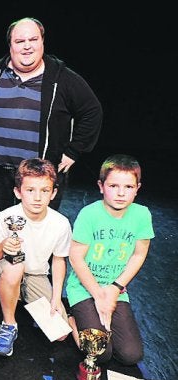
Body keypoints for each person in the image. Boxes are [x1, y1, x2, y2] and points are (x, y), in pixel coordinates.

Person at [0, 17, 103, 262]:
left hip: (38, 179)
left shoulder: (61, 78)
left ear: (42, 42)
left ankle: (32, 283)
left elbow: (92, 111)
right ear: (10, 45)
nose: (27, 46)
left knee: (37, 240)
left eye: (33, 39)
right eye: (20, 41)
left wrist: (74, 151)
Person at [66, 154, 154, 365]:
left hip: (116, 290)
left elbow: (139, 254)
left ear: (137, 188)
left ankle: (100, 324)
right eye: (113, 186)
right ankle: (71, 319)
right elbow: (76, 258)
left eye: (128, 187)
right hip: (84, 289)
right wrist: (98, 295)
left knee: (131, 355)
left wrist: (115, 288)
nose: (121, 193)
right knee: (100, 353)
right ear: (101, 186)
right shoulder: (89, 214)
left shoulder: (142, 215)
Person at [0, 158, 72, 356]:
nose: (37, 197)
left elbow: (59, 260)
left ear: (53, 193)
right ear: (18, 192)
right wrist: (3, 246)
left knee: (60, 333)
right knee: (15, 266)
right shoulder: (7, 216)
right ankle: (9, 325)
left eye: (45, 191)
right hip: (5, 270)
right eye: (30, 190)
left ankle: (24, 296)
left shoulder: (61, 223)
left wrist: (56, 298)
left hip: (36, 276)